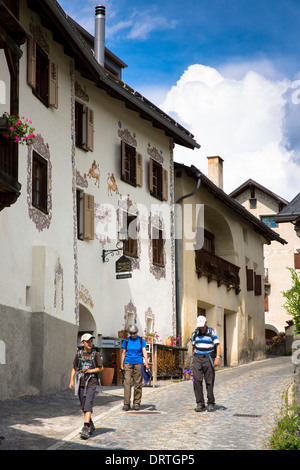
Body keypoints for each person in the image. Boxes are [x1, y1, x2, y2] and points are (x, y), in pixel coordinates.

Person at [69, 333, 103, 439]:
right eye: (88, 341)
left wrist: (91, 371)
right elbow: (74, 367)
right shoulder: (79, 354)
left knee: (88, 404)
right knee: (83, 406)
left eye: (91, 341)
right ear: (82, 343)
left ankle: (85, 427)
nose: (90, 343)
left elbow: (101, 368)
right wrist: (71, 381)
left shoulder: (95, 354)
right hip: (81, 382)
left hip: (92, 381)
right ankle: (90, 424)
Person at [191, 315, 221, 412]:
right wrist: (193, 360)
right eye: (199, 326)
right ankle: (200, 403)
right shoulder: (195, 333)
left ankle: (211, 403)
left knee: (209, 381)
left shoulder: (211, 332)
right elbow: (193, 347)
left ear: (206, 323)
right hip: (197, 358)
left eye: (202, 325)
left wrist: (217, 358)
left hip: (209, 358)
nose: (201, 327)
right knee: (196, 380)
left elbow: (218, 345)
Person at [120, 324, 149, 411]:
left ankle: (136, 403)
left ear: (137, 332)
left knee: (138, 383)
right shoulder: (126, 340)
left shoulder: (141, 340)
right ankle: (126, 403)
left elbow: (144, 351)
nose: (133, 335)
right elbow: (123, 353)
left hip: (138, 363)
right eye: (131, 333)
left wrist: (146, 362)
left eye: (134, 333)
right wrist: (121, 365)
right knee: (127, 383)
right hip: (128, 363)